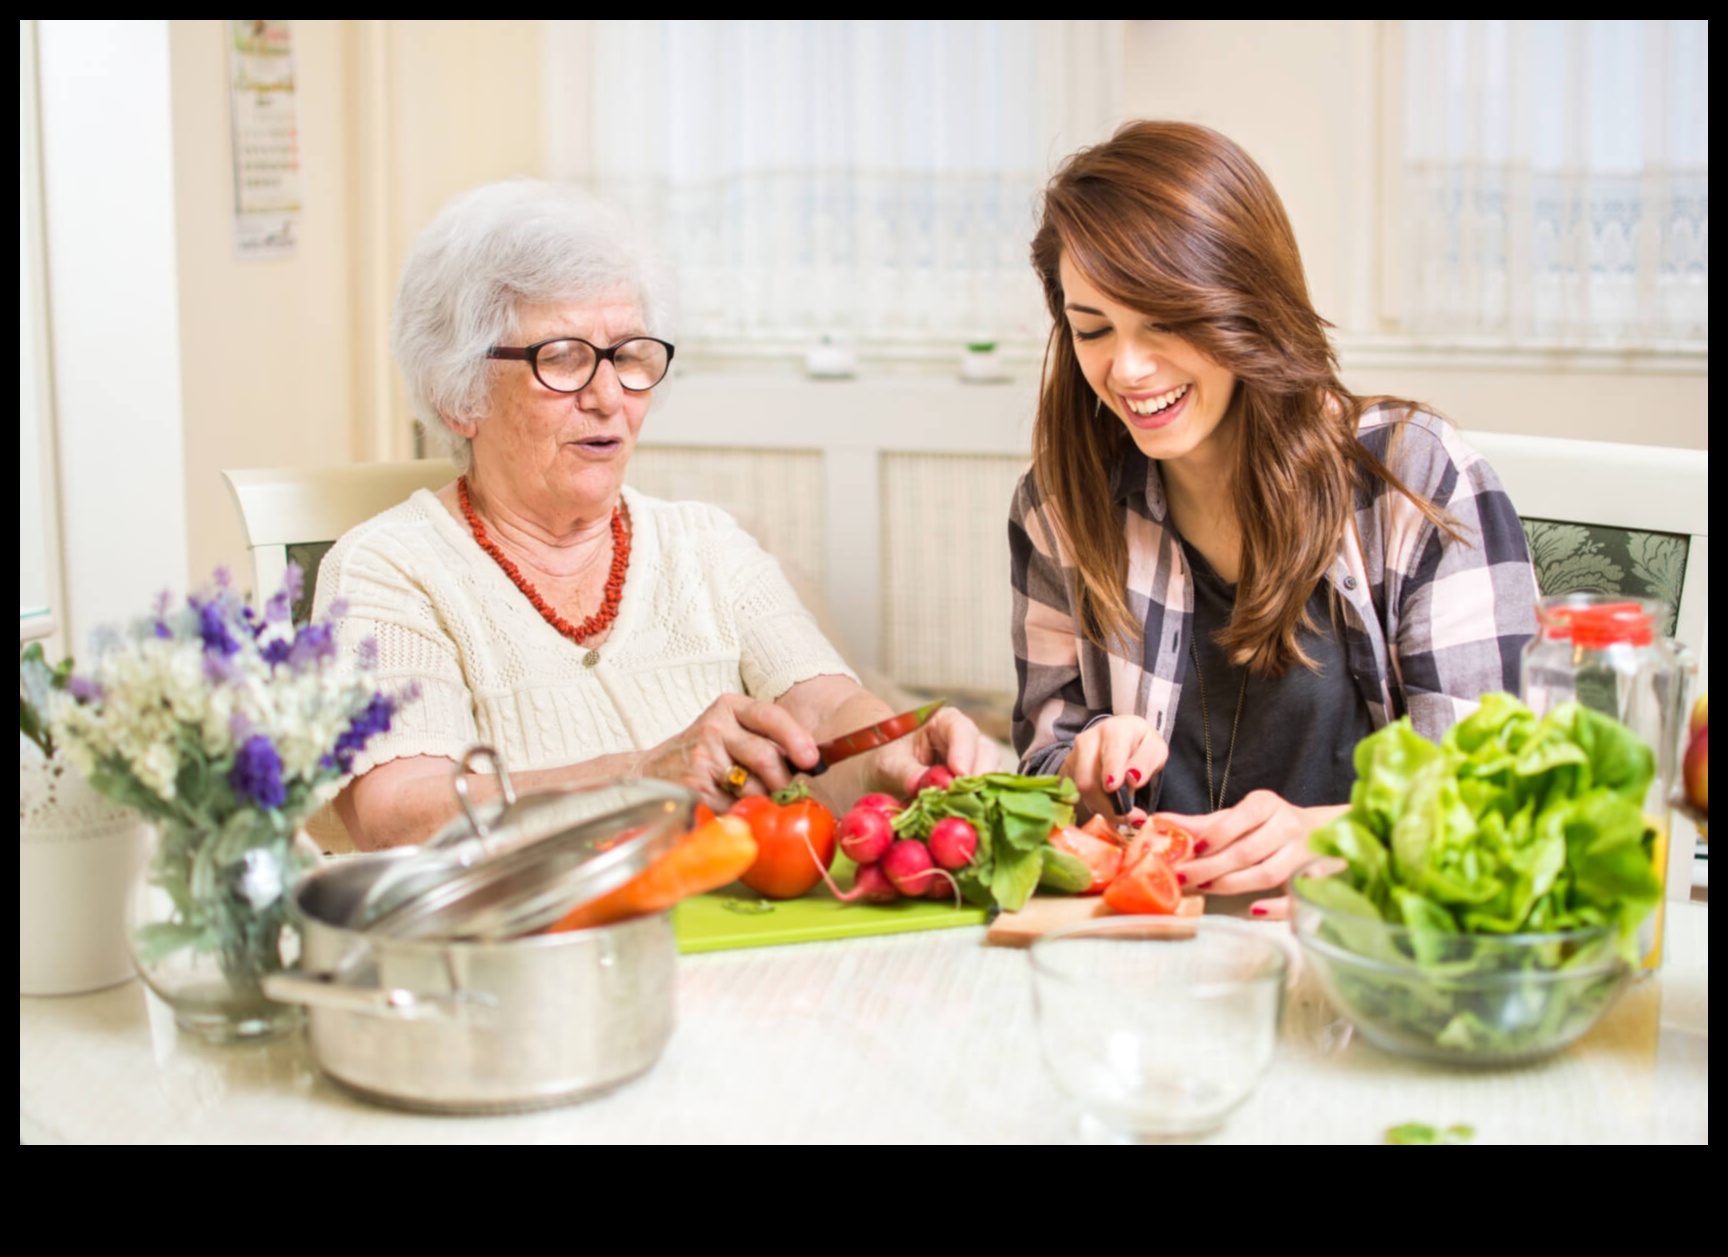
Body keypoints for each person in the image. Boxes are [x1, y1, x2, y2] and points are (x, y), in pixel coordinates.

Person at [317, 180, 995, 849]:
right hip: (536, 922)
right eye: (563, 358)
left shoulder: (707, 543)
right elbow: (399, 813)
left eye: (629, 354)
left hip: (730, 910)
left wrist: (888, 754)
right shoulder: (389, 570)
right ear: (458, 394)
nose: (609, 396)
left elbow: (823, 708)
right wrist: (640, 777)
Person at [1011, 122, 1539, 914]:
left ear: (1244, 303)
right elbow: (1040, 769)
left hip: (1359, 943)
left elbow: (1498, 792)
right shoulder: (1059, 505)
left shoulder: (1415, 480)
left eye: (1164, 320)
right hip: (1145, 941)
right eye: (1093, 329)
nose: (1128, 368)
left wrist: (1340, 836)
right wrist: (1082, 768)